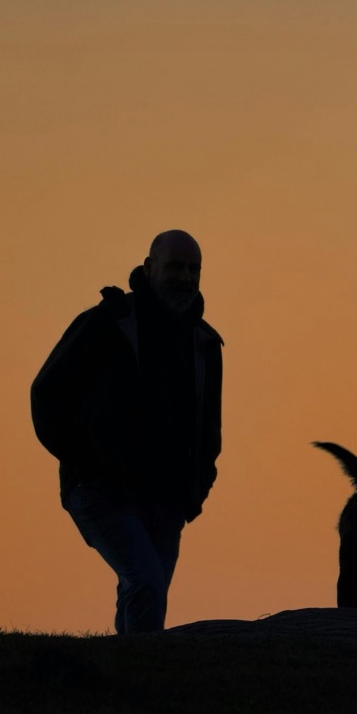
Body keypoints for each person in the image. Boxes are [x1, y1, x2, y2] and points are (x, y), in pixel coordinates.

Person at [31, 230, 224, 634]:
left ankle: (122, 683)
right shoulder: (108, 322)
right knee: (145, 584)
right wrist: (85, 463)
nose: (186, 278)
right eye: (175, 267)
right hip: (101, 491)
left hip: (167, 500)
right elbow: (46, 393)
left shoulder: (204, 343)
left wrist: (195, 489)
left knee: (145, 590)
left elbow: (209, 429)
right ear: (149, 268)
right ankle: (144, 685)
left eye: (194, 269)